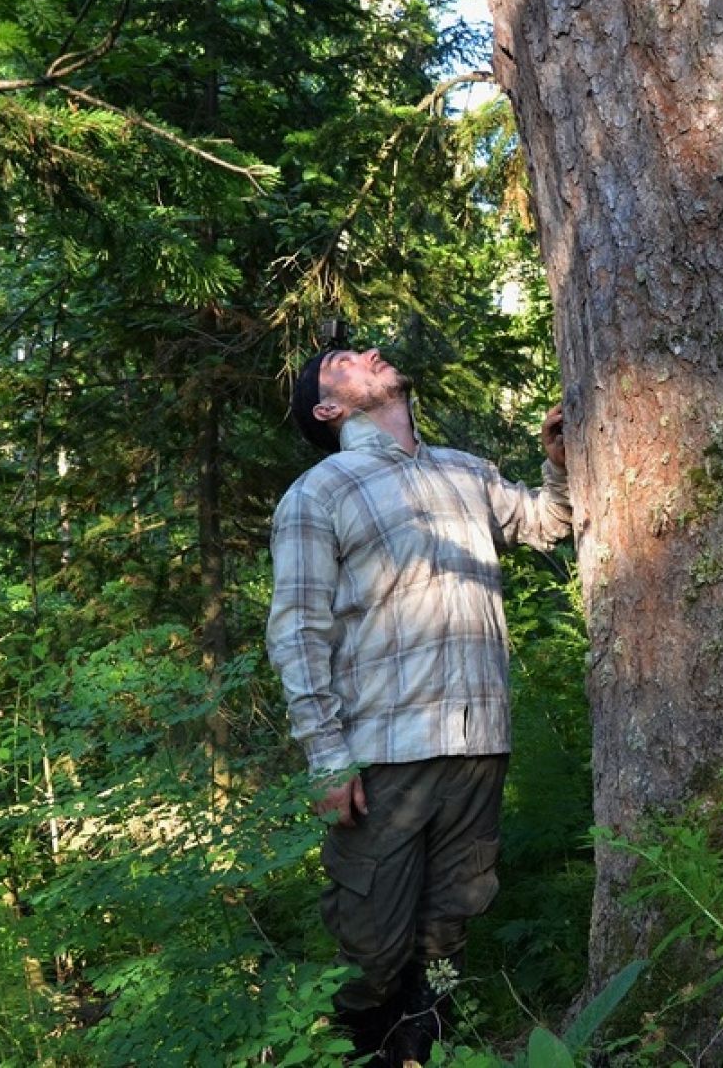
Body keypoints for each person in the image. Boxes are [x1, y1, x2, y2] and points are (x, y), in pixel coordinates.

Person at [265, 345, 571, 1064]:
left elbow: (546, 522)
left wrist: (559, 463)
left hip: (480, 742)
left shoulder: (466, 470)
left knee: (450, 926)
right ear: (327, 407)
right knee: (370, 941)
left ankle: (423, 1047)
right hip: (384, 753)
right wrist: (326, 757)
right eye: (345, 360)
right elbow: (297, 630)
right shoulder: (320, 491)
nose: (370, 352)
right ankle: (356, 1050)